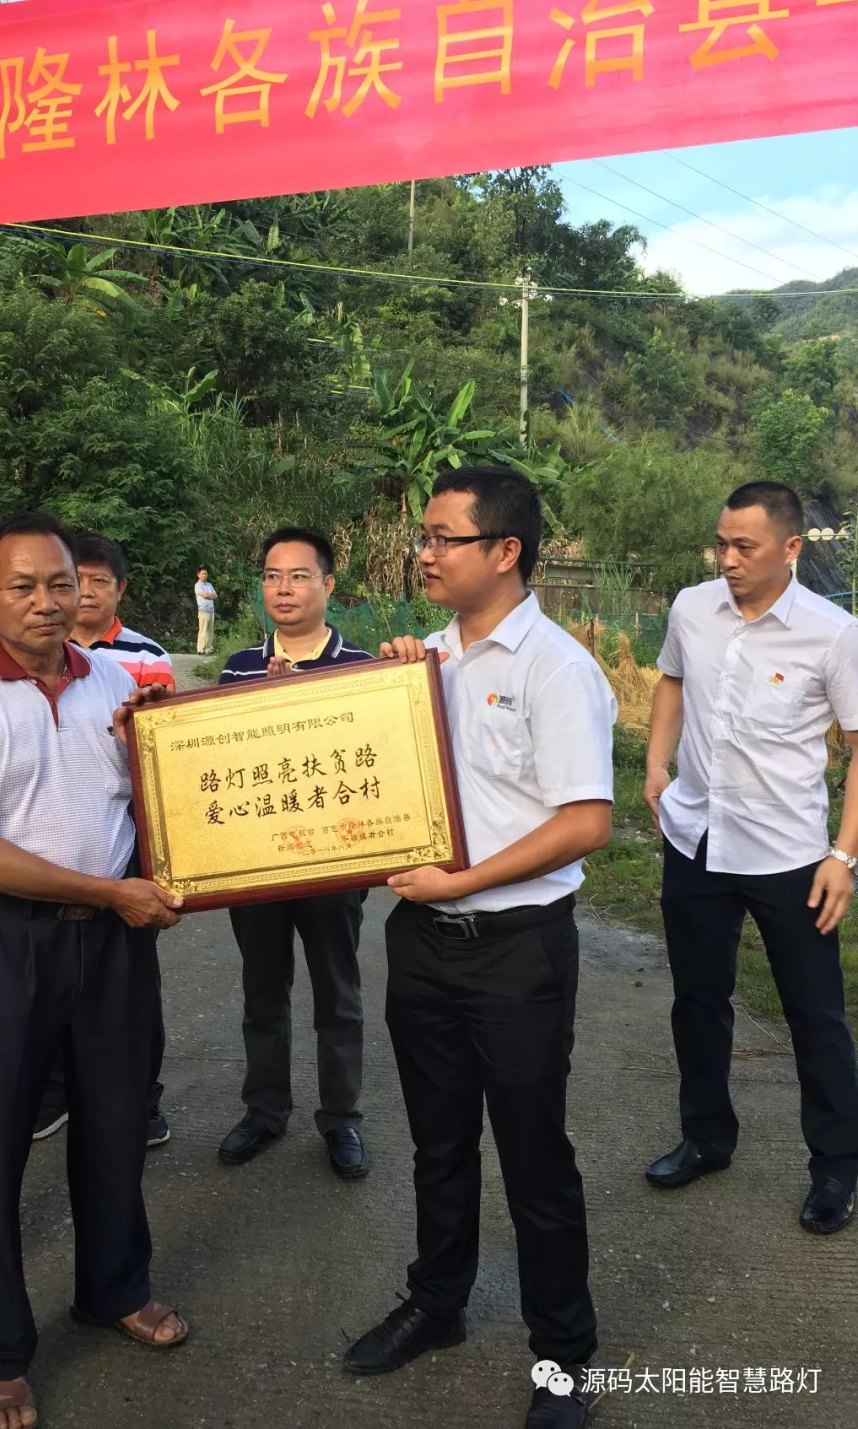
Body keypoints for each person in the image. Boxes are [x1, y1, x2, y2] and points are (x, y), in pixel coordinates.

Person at [343, 468, 615, 1429]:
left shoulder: (555, 667)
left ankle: (563, 1357)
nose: (423, 552)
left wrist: (460, 881)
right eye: (424, 535)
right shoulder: (423, 661)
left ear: (505, 551)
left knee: (535, 1156)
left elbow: (585, 822)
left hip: (516, 950)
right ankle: (438, 1301)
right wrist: (385, 687)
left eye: (442, 537)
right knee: (438, 1142)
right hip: (423, 943)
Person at [0, 510, 187, 1429]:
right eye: (22, 587)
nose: (45, 602)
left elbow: (156, 801)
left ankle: (114, 1289)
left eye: (60, 583)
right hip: (3, 943)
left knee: (115, 1122)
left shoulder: (115, 680)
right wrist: (114, 893)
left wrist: (160, 778)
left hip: (113, 945)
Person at [643, 481, 858, 1236]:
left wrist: (843, 856)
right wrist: (656, 764)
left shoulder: (833, 633)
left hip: (788, 853)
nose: (727, 559)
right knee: (698, 1000)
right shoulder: (691, 608)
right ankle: (706, 1136)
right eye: (721, 544)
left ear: (790, 548)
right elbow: (671, 680)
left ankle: (836, 1167)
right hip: (696, 838)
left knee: (814, 1013)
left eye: (745, 546)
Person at [218, 528, 373, 1178]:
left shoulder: (363, 667)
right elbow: (222, 767)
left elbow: (373, 761)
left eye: (299, 575)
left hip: (333, 866)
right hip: (256, 865)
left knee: (338, 993)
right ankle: (264, 1110)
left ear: (328, 585)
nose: (283, 589)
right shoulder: (238, 668)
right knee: (263, 990)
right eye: (272, 576)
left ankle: (341, 1119)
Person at [27, 532, 174, 1147]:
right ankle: (56, 1092)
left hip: (128, 839)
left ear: (120, 589)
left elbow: (166, 748)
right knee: (51, 983)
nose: (81, 594)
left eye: (95, 582)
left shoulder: (141, 658)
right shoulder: (28, 657)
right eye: (73, 581)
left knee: (129, 983)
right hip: (45, 853)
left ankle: (141, 1097)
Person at [195, 566, 217, 655]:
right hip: (203, 610)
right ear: (198, 575)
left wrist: (208, 595)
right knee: (203, 629)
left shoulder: (209, 585)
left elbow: (215, 595)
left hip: (211, 610)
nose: (204, 575)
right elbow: (205, 595)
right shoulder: (198, 585)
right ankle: (200, 648)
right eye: (203, 574)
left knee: (210, 630)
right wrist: (209, 595)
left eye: (206, 574)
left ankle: (208, 648)